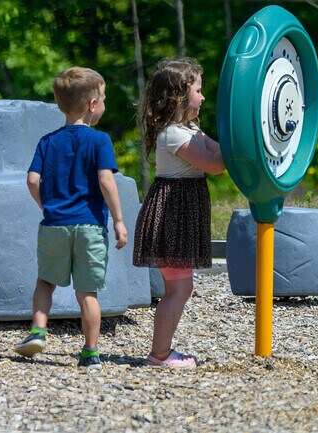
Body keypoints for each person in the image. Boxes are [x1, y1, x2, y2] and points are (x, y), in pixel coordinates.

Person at [14, 66, 128, 371]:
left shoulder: (47, 141)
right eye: (103, 98)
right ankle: (90, 353)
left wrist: (46, 206)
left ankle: (38, 330)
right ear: (92, 105)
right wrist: (118, 219)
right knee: (86, 293)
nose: (104, 104)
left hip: (54, 224)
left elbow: (32, 180)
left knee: (45, 281)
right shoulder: (99, 141)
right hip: (89, 226)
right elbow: (106, 180)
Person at [133, 57, 225, 369]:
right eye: (198, 91)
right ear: (179, 95)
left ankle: (161, 352)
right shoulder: (173, 134)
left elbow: (216, 151)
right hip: (172, 215)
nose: (202, 97)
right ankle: (159, 355)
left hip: (180, 211)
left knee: (180, 287)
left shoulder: (190, 129)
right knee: (178, 288)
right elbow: (215, 164)